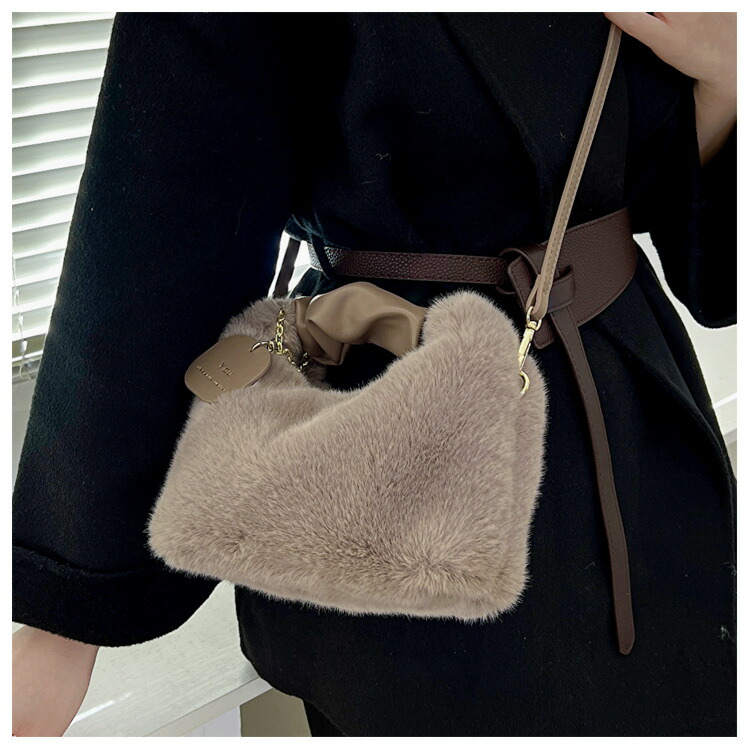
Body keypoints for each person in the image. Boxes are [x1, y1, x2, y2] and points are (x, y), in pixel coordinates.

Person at [13, 12, 737, 737]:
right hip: (406, 474)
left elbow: (647, 185)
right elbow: (169, 212)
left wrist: (729, 76)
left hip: (648, 448)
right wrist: (68, 609)